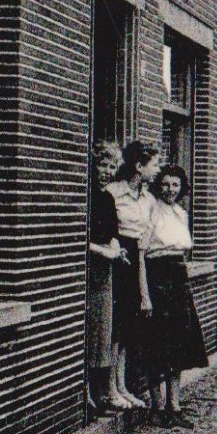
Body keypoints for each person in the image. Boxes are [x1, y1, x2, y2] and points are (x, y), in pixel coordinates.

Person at [144, 165, 209, 428]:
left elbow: (183, 248)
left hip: (178, 276)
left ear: (182, 188)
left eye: (175, 185)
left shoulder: (181, 214)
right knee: (157, 342)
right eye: (166, 184)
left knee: (179, 343)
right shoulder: (152, 209)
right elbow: (143, 249)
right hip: (157, 275)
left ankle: (175, 405)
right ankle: (157, 406)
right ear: (159, 185)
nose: (170, 190)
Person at [105, 141, 161, 409]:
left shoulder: (148, 199)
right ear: (139, 167)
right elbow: (107, 227)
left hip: (137, 259)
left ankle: (122, 385)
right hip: (117, 259)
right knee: (113, 326)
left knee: (127, 327)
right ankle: (109, 387)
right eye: (154, 164)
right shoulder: (113, 193)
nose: (157, 169)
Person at [86, 141, 125, 413]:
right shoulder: (86, 196)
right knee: (89, 329)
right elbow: (81, 239)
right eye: (103, 164)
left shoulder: (107, 198)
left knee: (103, 332)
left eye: (112, 166)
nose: (108, 171)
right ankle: (87, 392)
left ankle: (102, 393)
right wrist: (103, 251)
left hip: (104, 271)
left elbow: (113, 231)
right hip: (88, 269)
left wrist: (113, 248)